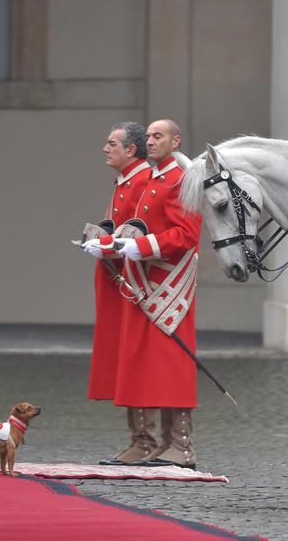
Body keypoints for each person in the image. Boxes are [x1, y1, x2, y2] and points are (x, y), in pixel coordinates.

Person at [86, 119, 202, 469]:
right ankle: (147, 443)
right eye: (149, 136)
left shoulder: (181, 179)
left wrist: (141, 247)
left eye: (158, 136)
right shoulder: (153, 178)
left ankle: (179, 446)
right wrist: (112, 243)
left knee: (170, 364)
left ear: (176, 141)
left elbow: (185, 234)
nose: (151, 141)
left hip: (167, 285)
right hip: (145, 281)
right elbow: (134, 227)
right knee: (142, 363)